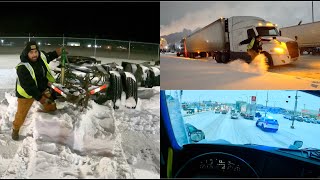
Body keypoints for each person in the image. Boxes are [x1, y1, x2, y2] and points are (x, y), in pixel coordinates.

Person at [12, 41, 64, 140]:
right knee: (21, 114)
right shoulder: (22, 67)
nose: (34, 54)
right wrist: (40, 98)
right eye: (31, 52)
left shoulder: (41, 58)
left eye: (36, 51)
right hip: (26, 94)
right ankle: (15, 129)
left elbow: (49, 56)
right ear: (26, 53)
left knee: (51, 104)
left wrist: (58, 52)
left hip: (41, 88)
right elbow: (29, 87)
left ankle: (48, 123)